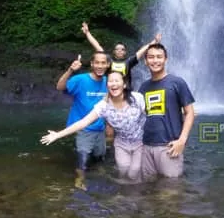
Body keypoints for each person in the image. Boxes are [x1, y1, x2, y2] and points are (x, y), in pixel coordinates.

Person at [41, 71, 146, 183]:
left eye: (117, 81)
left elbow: (151, 116)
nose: (114, 84)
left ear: (124, 84)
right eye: (111, 81)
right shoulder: (103, 106)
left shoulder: (137, 98)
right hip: (122, 143)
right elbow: (84, 122)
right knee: (123, 170)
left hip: (141, 142)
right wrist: (58, 134)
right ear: (107, 86)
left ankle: (138, 190)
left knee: (134, 172)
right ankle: (125, 191)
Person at [138, 43, 195, 179]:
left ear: (166, 59)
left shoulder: (177, 82)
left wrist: (182, 141)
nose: (155, 60)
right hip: (146, 146)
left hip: (169, 146)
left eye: (159, 57)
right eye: (151, 57)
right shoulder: (143, 87)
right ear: (146, 61)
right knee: (148, 186)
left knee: (171, 188)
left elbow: (190, 112)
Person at [54, 51, 110, 190]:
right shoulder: (80, 79)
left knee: (99, 157)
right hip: (82, 127)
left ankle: (99, 177)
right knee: (83, 159)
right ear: (92, 64)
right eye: (97, 62)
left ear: (108, 64)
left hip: (100, 128)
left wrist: (110, 126)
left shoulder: (109, 82)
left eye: (103, 63)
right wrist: (70, 70)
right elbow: (60, 87)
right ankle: (79, 180)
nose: (100, 66)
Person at [81, 22, 161, 89]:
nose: (119, 51)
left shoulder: (129, 61)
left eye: (122, 49)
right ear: (114, 51)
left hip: (126, 92)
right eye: (117, 49)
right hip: (111, 91)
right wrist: (87, 33)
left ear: (125, 52)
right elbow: (98, 47)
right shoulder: (109, 61)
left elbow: (142, 51)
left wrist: (154, 41)